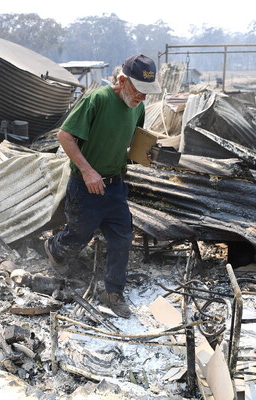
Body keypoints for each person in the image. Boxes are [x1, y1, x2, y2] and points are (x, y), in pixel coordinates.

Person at [44, 54, 161, 318]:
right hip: (86, 187)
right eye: (139, 91)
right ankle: (55, 248)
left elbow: (133, 143)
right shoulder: (97, 100)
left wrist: (150, 153)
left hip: (115, 185)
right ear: (122, 80)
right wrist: (88, 172)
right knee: (78, 236)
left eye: (147, 93)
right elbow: (65, 135)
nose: (143, 98)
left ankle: (112, 292)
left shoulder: (137, 107)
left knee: (122, 238)